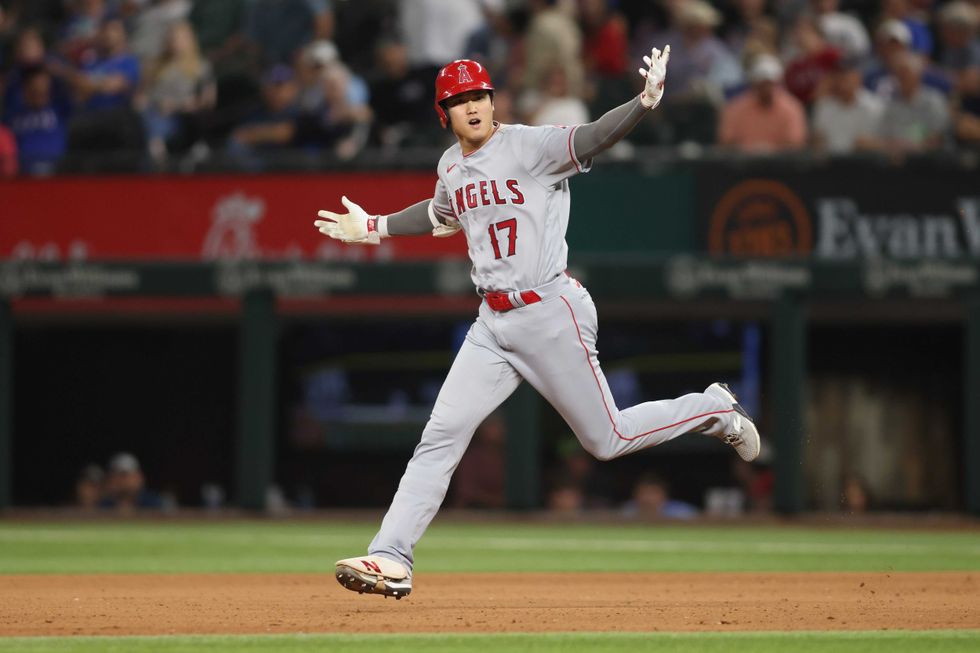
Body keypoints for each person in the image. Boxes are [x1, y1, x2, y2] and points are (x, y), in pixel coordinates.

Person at [317, 47, 761, 600]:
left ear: (492, 99)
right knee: (441, 435)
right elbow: (440, 215)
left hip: (551, 311)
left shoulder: (530, 145)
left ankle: (713, 408)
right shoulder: (450, 167)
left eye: (479, 94)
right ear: (444, 115)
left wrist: (644, 103)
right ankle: (391, 557)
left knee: (608, 439)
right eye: (459, 100)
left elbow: (594, 135)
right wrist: (376, 226)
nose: (472, 106)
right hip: (492, 324)